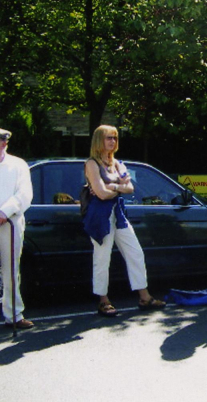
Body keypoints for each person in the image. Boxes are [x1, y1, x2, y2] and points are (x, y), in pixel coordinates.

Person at [83, 125, 165, 317]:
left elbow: (130, 189)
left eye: (115, 138)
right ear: (98, 140)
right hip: (99, 216)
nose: (112, 141)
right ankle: (103, 301)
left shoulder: (117, 163)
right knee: (102, 258)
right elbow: (101, 194)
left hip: (118, 214)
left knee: (135, 252)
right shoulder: (92, 164)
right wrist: (118, 185)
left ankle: (144, 297)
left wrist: (111, 185)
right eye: (108, 138)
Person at [0, 128, 34, 329]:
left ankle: (14, 314)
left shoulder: (18, 165)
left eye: (4, 141)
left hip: (10, 223)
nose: (2, 144)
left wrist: (4, 213)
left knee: (11, 270)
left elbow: (24, 194)